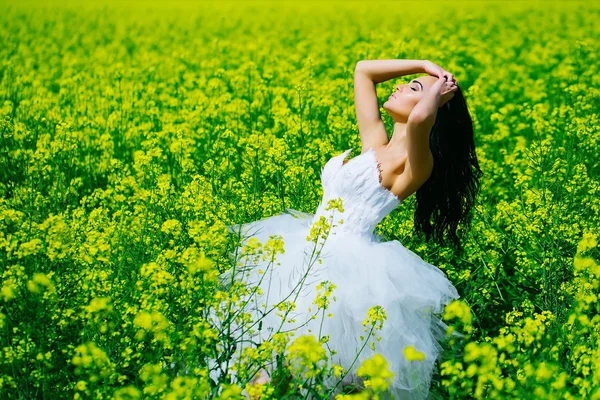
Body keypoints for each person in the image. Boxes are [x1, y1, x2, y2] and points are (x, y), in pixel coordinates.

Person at [210, 59, 483, 399]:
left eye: (413, 89)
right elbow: (363, 71)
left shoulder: (416, 162)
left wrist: (439, 91)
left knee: (318, 374)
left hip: (345, 272)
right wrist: (423, 65)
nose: (398, 87)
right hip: (303, 253)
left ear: (435, 106)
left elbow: (418, 120)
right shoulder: (375, 144)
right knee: (270, 365)